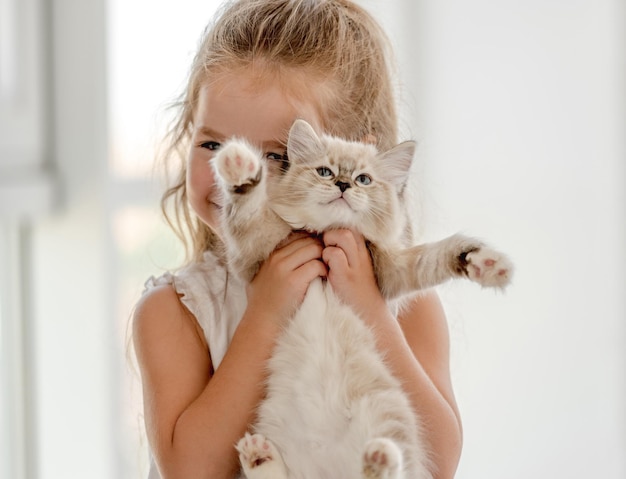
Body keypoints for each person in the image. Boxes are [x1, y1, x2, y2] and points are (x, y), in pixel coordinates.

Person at [132, 1, 463, 478]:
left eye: (279, 154)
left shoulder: (404, 304)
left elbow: (439, 462)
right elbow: (190, 470)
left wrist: (370, 308)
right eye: (211, 144)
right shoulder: (176, 310)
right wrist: (266, 313)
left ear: (356, 161)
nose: (236, 173)